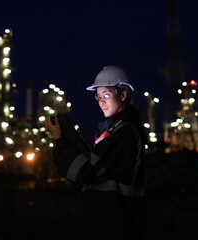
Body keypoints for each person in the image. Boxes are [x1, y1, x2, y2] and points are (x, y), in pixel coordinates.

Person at [44, 66, 147, 240]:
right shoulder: (112, 131)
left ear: (123, 95)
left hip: (114, 222)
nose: (101, 101)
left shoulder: (125, 132)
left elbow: (87, 172)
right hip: (105, 218)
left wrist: (61, 140)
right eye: (98, 96)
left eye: (106, 94)